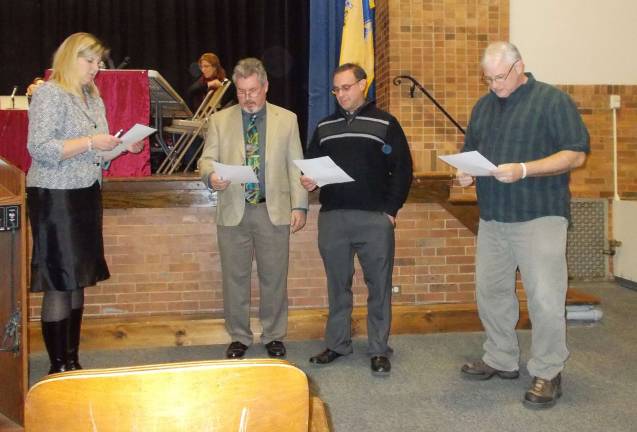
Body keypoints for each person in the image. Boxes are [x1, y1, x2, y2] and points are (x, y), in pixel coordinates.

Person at [456, 42, 590, 408]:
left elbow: (575, 153)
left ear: (520, 67)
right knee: (491, 292)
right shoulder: (483, 106)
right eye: (488, 78)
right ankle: (500, 358)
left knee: (545, 298)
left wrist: (525, 169)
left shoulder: (552, 100)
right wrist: (466, 173)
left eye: (500, 77)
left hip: (539, 215)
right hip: (493, 217)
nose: (494, 85)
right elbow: (473, 153)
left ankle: (548, 371)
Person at [27, 32, 144, 374]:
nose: (96, 68)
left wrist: (124, 147)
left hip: (86, 192)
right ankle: (57, 366)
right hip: (56, 195)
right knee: (61, 281)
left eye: (98, 62)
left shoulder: (93, 96)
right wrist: (93, 140)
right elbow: (42, 149)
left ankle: (73, 361)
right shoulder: (51, 93)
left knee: (78, 278)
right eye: (89, 61)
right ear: (70, 58)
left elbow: (98, 155)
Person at [302, 63, 413, 376]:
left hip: (374, 220)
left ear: (363, 85)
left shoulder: (385, 123)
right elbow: (310, 167)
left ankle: (378, 349)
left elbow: (403, 169)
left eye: (346, 87)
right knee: (337, 286)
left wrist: (390, 211)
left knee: (379, 286)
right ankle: (338, 344)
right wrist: (309, 180)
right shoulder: (324, 127)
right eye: (336, 89)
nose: (340, 94)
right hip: (333, 218)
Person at [198, 57, 308, 359]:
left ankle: (273, 334)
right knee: (234, 277)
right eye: (242, 91)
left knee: (274, 276)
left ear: (266, 87)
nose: (247, 98)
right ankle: (239, 336)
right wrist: (211, 176)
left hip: (273, 210)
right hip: (233, 209)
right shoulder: (220, 120)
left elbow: (295, 165)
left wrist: (299, 205)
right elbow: (206, 159)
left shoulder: (287, 119)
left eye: (253, 91)